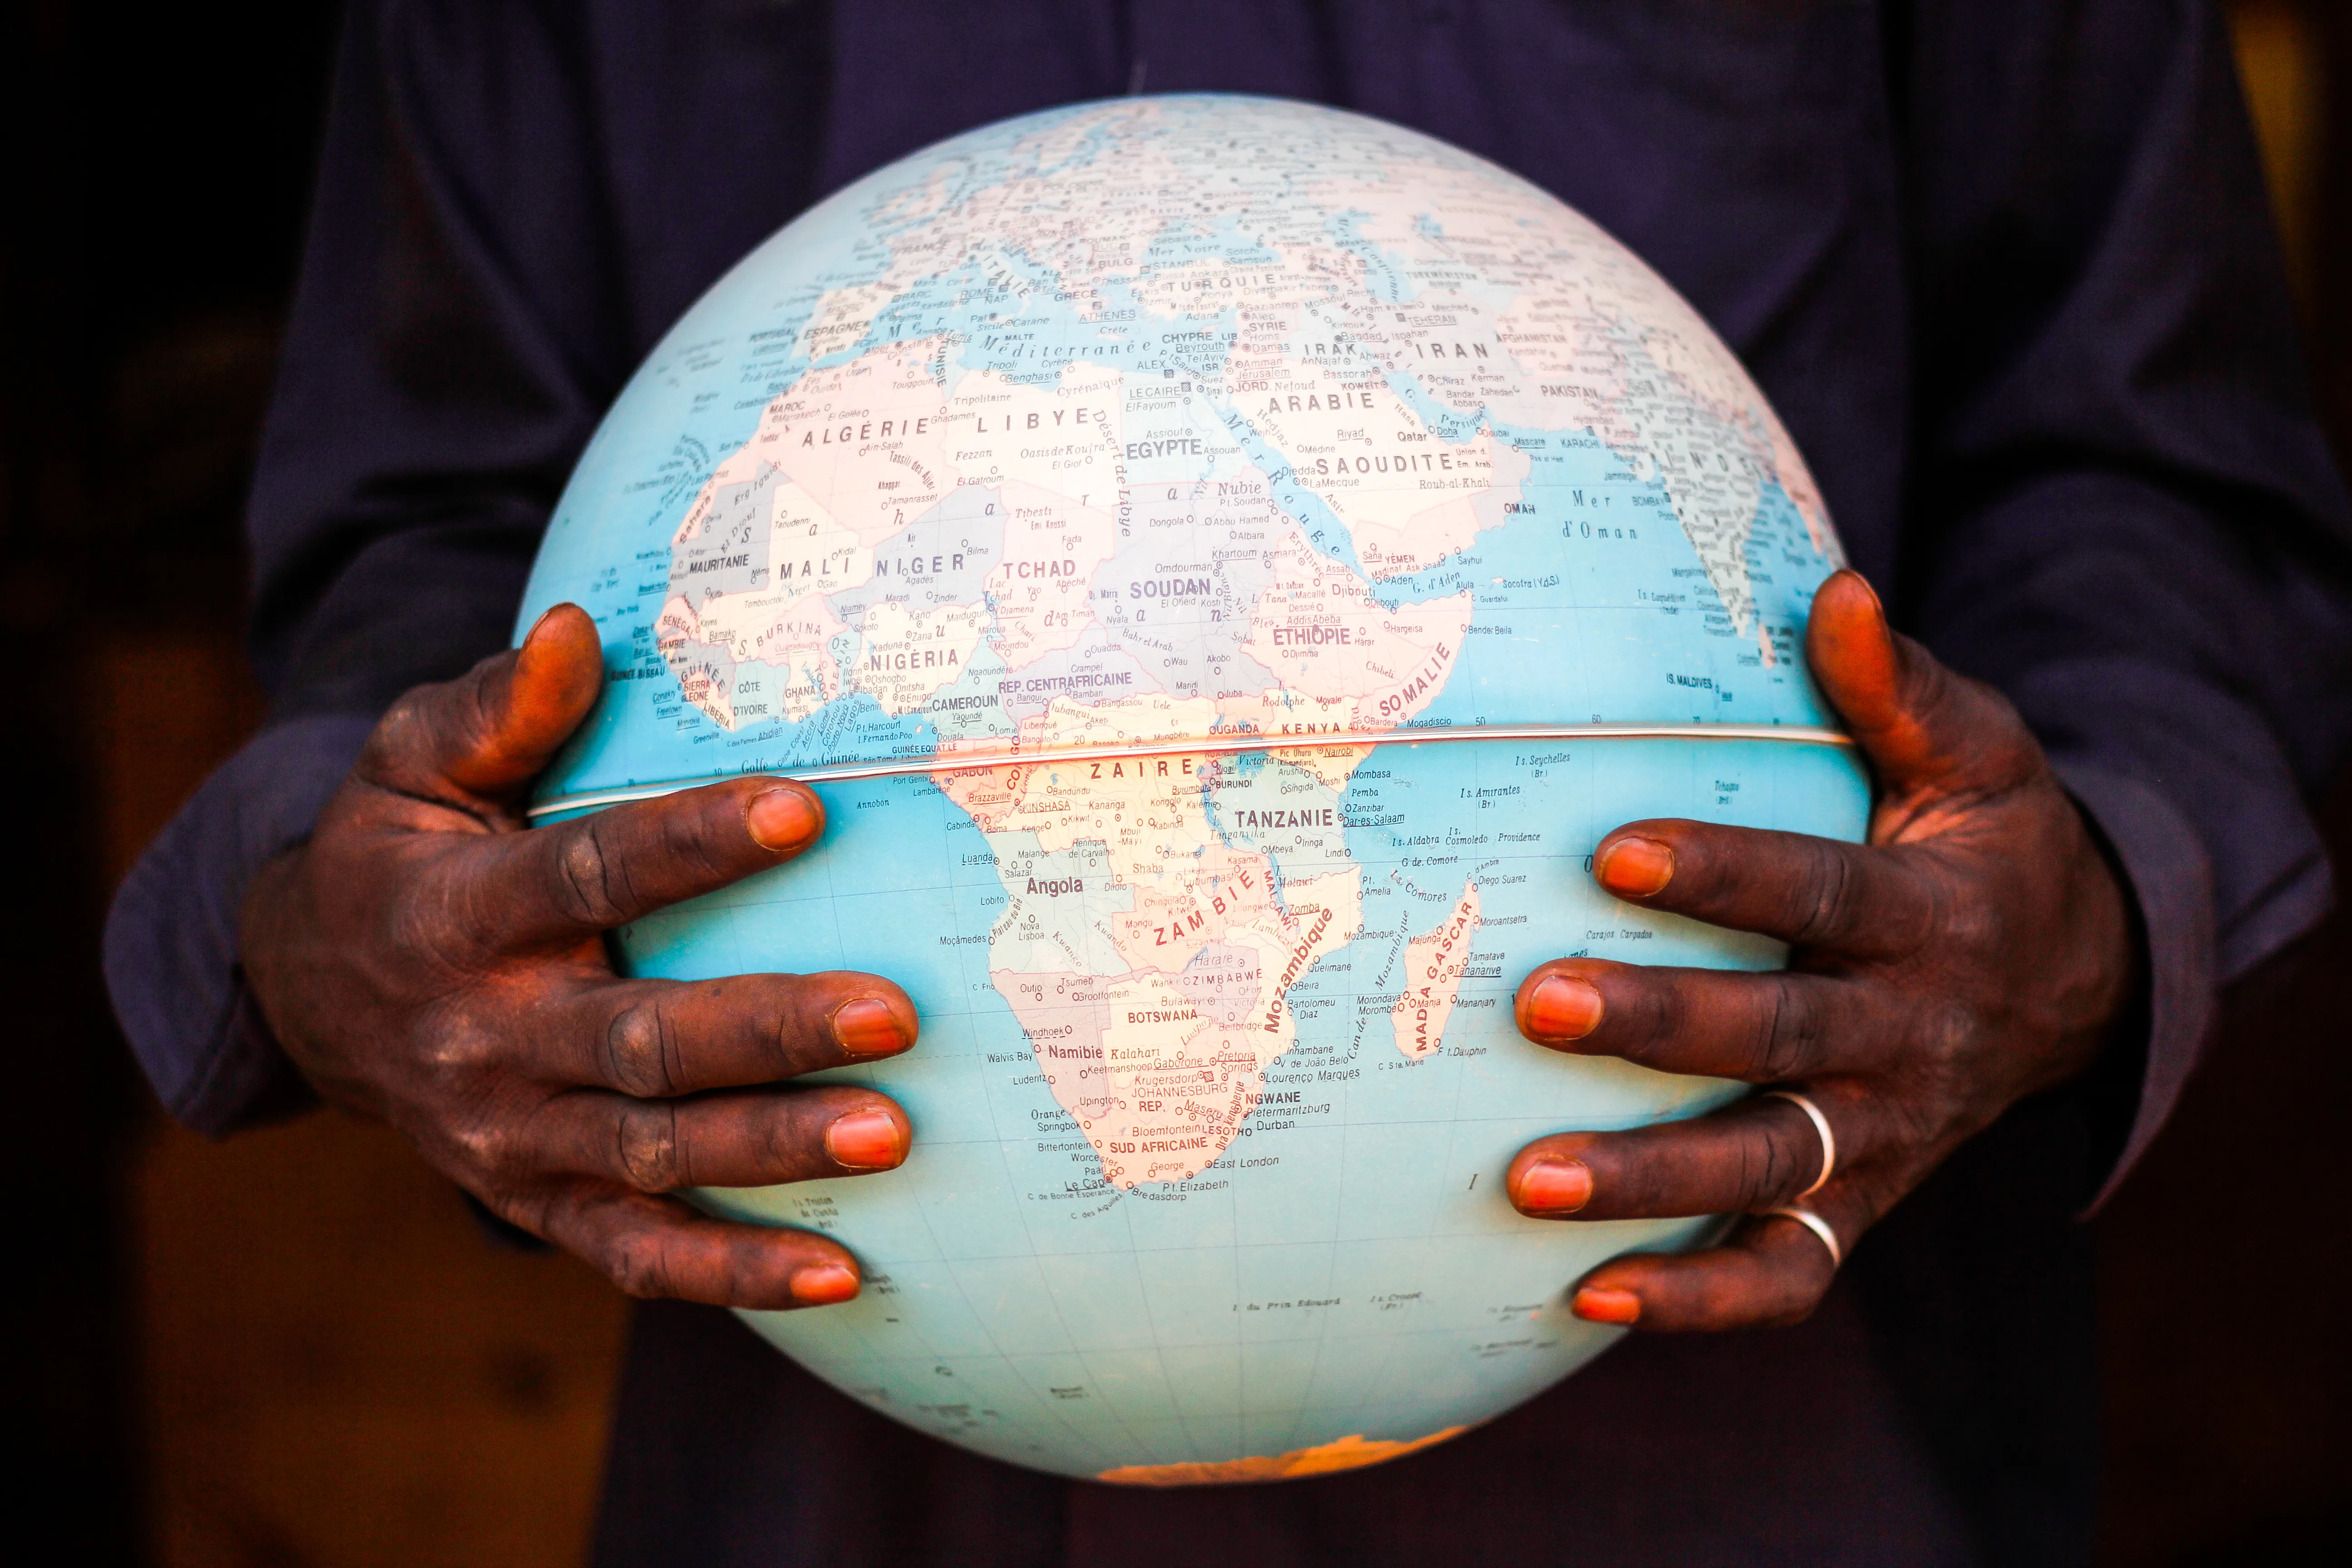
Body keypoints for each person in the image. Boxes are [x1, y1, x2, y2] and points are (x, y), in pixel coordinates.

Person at [105, 2, 2352, 1564]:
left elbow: (2151, 468)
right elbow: (419, 540)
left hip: (1774, 1458)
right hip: (843, 1460)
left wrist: (2099, 894)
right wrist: (351, 894)